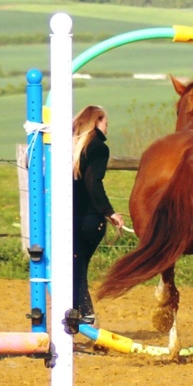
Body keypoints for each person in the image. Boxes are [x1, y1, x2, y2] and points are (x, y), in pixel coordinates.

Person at [71, 105, 124, 325]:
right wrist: (109, 212)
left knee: (75, 265)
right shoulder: (99, 148)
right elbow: (94, 183)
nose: (107, 125)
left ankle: (81, 313)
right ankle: (85, 314)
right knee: (77, 266)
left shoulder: (69, 147)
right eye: (105, 121)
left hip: (69, 217)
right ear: (96, 122)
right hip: (90, 219)